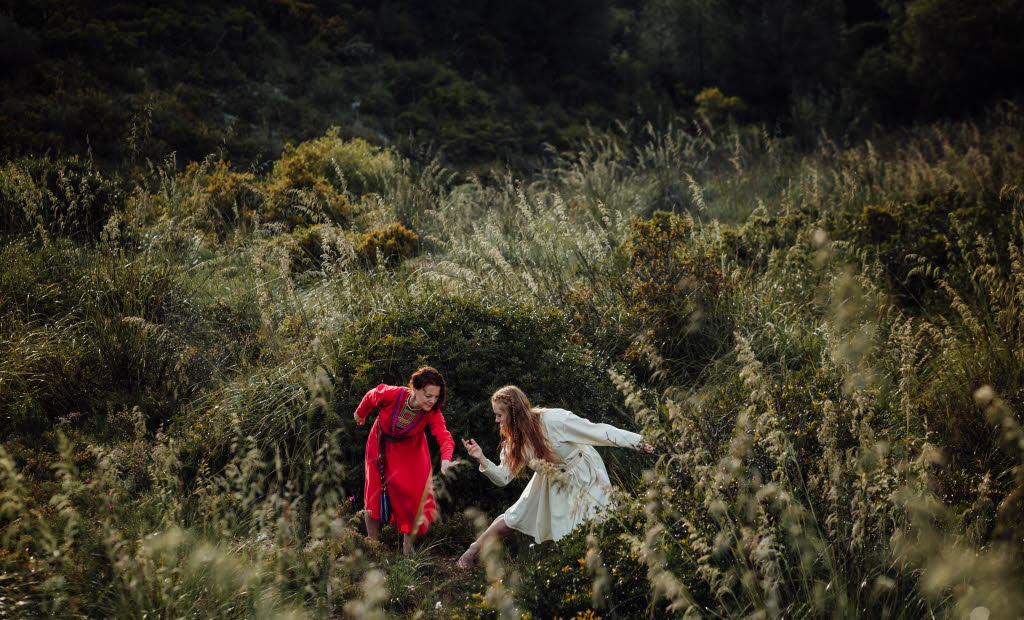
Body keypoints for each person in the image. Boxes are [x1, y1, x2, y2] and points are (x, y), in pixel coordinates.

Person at [458, 385, 653, 568]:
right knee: (514, 518)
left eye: (499, 415)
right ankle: (474, 549)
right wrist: (481, 458)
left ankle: (601, 566)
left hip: (583, 475)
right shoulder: (514, 443)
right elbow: (503, 478)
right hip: (549, 479)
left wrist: (638, 442)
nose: (496, 420)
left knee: (597, 522)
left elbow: (598, 431)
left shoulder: (555, 420)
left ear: (513, 413)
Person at [354, 366, 457, 555]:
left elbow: (444, 437)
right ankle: (372, 543)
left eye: (436, 397)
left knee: (415, 497)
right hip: (380, 444)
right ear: (415, 389)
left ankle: (407, 549)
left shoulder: (432, 412)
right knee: (374, 492)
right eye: (428, 395)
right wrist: (361, 414)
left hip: (412, 453)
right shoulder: (393, 394)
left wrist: (445, 460)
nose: (432, 401)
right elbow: (371, 396)